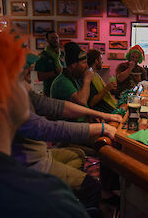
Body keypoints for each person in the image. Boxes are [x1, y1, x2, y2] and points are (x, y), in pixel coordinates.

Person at [0, 16, 89, 218]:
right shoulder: (52, 202)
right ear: (1, 95)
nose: (28, 87)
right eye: (21, 78)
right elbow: (51, 126)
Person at [13, 53, 122, 209]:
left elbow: (59, 106)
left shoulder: (24, 93)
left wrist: (100, 115)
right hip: (31, 168)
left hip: (43, 154)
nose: (30, 79)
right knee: (92, 187)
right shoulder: (9, 101)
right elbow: (49, 129)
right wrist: (102, 127)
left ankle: (61, 193)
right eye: (25, 73)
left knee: (78, 155)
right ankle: (63, 199)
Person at [51, 42, 94, 108]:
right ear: (73, 64)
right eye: (84, 63)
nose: (87, 67)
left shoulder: (75, 77)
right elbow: (82, 101)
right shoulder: (62, 82)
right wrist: (87, 80)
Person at [87, 49, 117, 113]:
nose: (102, 62)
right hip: (105, 112)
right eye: (101, 59)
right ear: (96, 61)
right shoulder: (89, 77)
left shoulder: (96, 74)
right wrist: (106, 89)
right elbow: (92, 103)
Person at [35, 30, 62, 96]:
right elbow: (40, 77)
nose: (55, 40)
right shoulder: (42, 56)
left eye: (56, 38)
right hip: (49, 92)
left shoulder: (62, 54)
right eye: (52, 38)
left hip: (63, 90)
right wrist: (56, 72)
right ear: (46, 40)